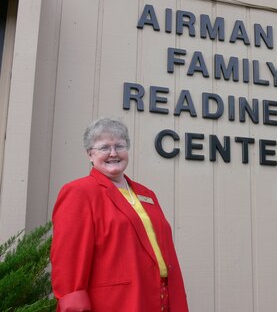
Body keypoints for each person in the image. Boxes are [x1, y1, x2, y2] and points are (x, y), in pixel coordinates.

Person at [51, 117, 188, 312]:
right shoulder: (80, 192)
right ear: (90, 154)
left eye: (119, 146)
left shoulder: (146, 194)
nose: (113, 153)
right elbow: (69, 259)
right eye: (104, 147)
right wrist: (74, 306)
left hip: (161, 298)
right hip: (116, 303)